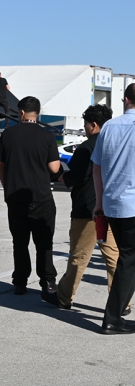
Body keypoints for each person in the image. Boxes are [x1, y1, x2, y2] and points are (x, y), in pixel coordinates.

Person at [56, 104, 129, 313]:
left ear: (93, 125)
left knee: (79, 256)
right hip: (112, 207)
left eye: (86, 124)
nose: (85, 128)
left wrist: (62, 176)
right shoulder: (116, 142)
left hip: (88, 209)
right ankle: (122, 301)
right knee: (113, 256)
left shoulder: (87, 147)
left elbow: (78, 176)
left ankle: (64, 297)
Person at [0, 96, 60, 301]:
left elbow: (0, 165)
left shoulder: (9, 134)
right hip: (41, 197)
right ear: (37, 113)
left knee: (20, 242)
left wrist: (8, 188)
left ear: (21, 113)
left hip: (15, 198)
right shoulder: (47, 136)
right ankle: (47, 281)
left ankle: (20, 281)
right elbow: (55, 168)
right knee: (44, 243)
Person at [92, 83, 135, 334]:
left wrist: (99, 202)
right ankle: (112, 317)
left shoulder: (109, 127)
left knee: (127, 259)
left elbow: (96, 167)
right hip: (131, 204)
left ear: (125, 99)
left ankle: (116, 314)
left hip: (112, 203)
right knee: (128, 260)